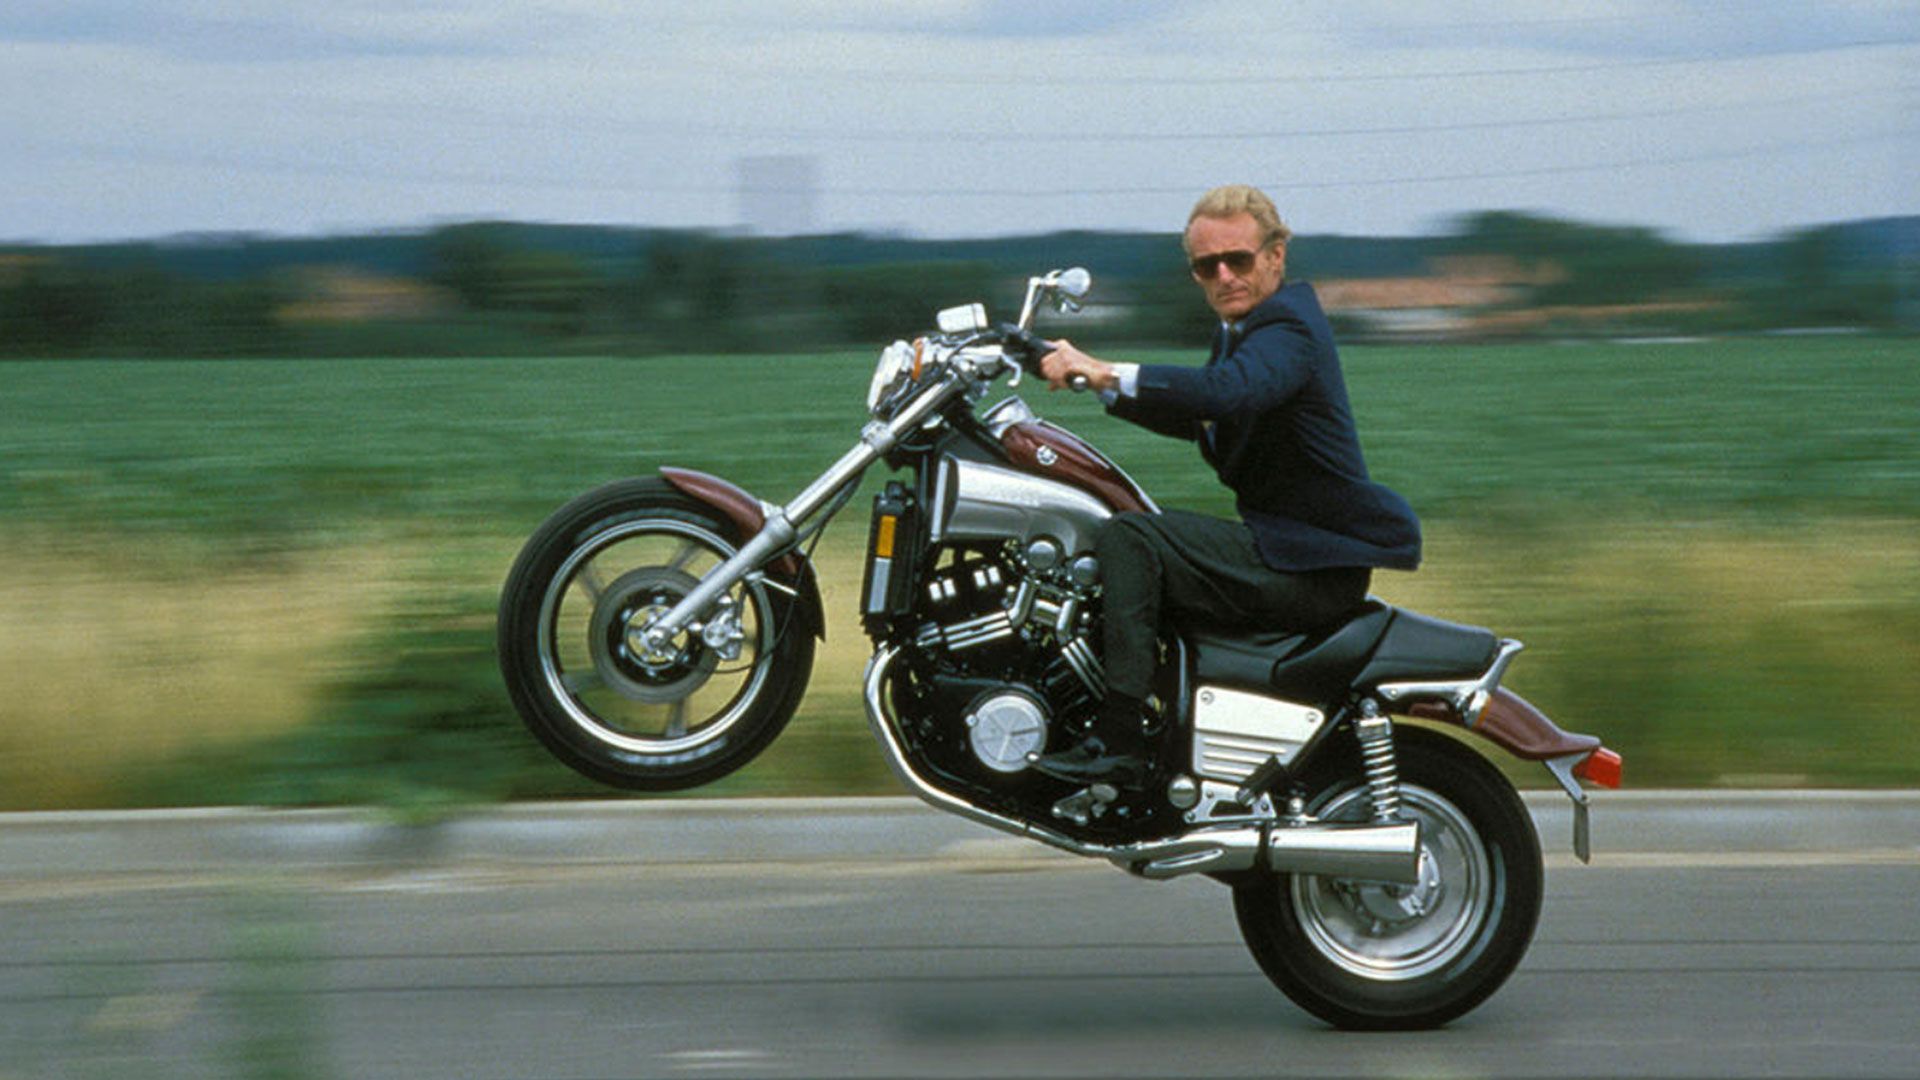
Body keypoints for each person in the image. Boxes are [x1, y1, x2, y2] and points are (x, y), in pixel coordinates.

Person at [1031, 184, 1422, 786]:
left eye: (1237, 259)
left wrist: (1105, 367)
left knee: (1131, 540)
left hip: (1306, 565)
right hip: (1291, 551)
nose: (1223, 275)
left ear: (1276, 255)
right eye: (1205, 266)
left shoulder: (1287, 330)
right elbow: (1201, 415)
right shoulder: (1243, 331)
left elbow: (1227, 393)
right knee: (1122, 526)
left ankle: (1121, 740)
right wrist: (1095, 384)